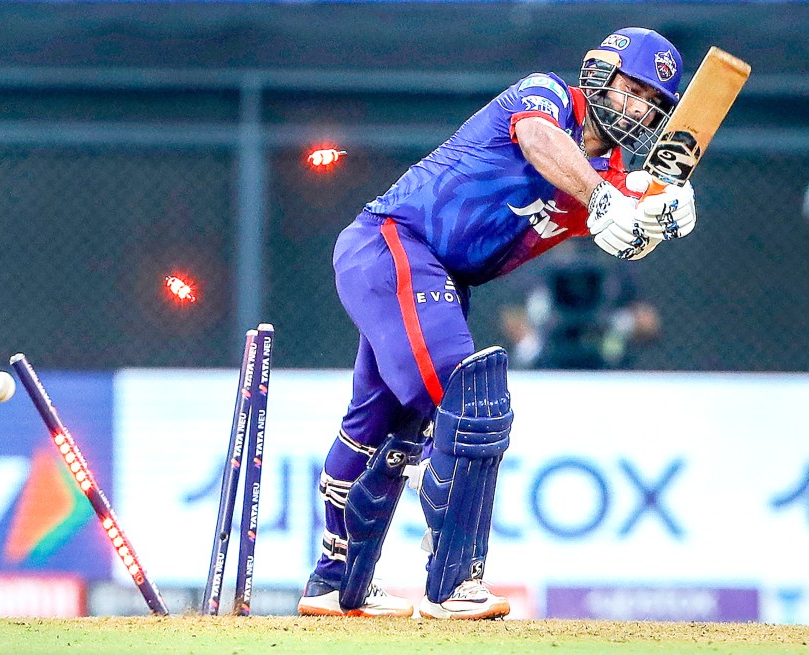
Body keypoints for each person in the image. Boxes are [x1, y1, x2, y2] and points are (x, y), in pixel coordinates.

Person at [298, 27, 697, 620]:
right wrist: (606, 197)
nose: (638, 109)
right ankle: (453, 584)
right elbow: (540, 141)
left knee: (387, 425)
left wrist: (660, 213)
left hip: (437, 276)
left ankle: (334, 583)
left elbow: (623, 231)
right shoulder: (547, 97)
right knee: (470, 397)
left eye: (653, 103)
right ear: (598, 75)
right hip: (392, 241)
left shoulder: (608, 175)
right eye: (630, 89)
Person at [498, 238, 662, 370]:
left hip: (606, 360)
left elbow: (648, 320)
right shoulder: (535, 257)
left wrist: (623, 323)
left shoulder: (617, 255)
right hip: (547, 360)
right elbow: (510, 315)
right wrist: (532, 340)